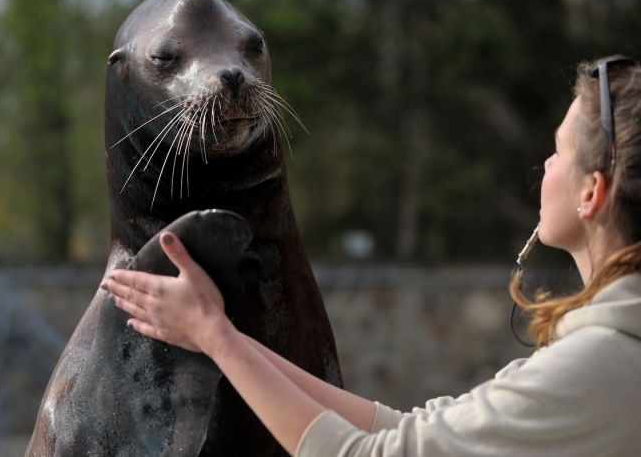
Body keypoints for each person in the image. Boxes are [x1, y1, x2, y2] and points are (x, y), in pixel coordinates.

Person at [104, 56, 641, 456]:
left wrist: (214, 337)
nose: (544, 165)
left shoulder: (601, 366)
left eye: (558, 150)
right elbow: (402, 429)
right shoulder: (605, 356)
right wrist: (221, 335)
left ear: (591, 193)